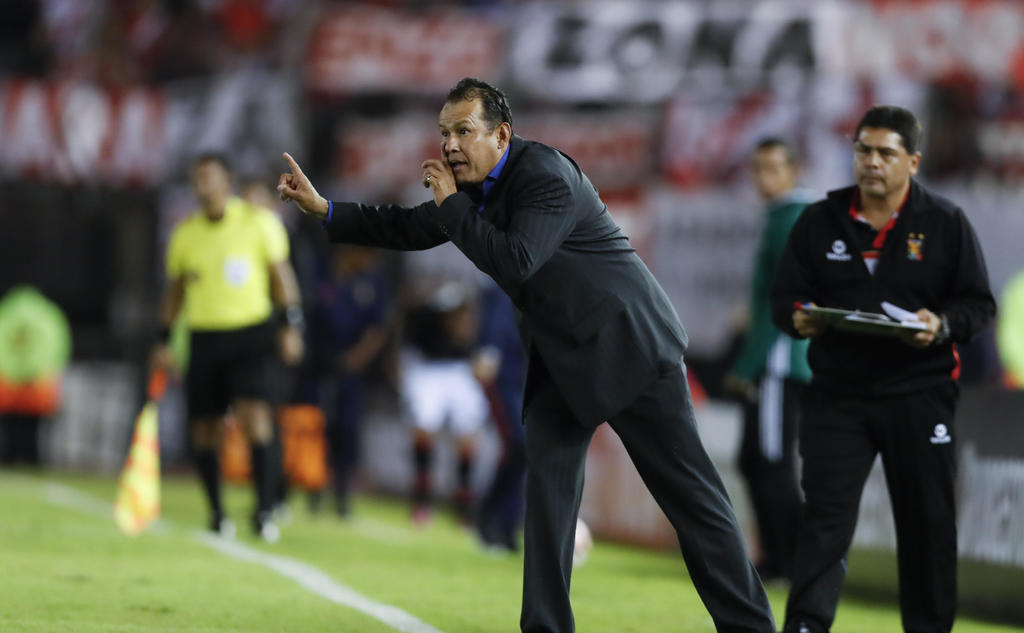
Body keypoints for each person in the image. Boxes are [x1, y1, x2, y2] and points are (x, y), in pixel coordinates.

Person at [277, 77, 775, 633]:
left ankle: (751, 628)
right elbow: (408, 227)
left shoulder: (545, 176)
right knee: (546, 506)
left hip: (627, 346)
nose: (449, 145)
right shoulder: (472, 192)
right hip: (561, 360)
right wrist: (325, 209)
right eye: (444, 133)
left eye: (463, 131)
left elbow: (516, 261)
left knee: (694, 505)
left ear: (501, 135)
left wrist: (451, 206)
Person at [771, 106, 996, 633]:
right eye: (863, 150)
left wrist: (940, 324)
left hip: (919, 393)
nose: (872, 162)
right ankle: (805, 626)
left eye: (885, 153)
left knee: (927, 525)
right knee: (824, 521)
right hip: (837, 396)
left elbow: (978, 305)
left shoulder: (945, 223)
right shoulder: (819, 220)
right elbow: (783, 298)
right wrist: (798, 319)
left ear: (912, 161)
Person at [152, 153, 304, 542]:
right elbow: (175, 292)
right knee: (205, 429)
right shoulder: (185, 234)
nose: (201, 185)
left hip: (251, 334)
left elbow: (281, 277)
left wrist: (291, 325)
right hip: (204, 337)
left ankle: (264, 510)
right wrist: (163, 340)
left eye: (208, 177)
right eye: (196, 178)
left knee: (256, 420)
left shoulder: (258, 222)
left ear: (226, 181)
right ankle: (217, 514)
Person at [723, 138, 813, 582]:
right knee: (754, 458)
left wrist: (746, 365)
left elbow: (781, 301)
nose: (763, 177)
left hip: (778, 361)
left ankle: (790, 561)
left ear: (795, 171)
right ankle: (776, 558)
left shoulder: (793, 219)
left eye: (774, 168)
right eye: (758, 168)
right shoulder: (782, 217)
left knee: (771, 459)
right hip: (775, 357)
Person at [401, 279, 487, 526]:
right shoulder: (424, 327)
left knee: (468, 433)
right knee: (424, 426)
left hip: (459, 370)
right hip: (427, 369)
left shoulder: (472, 330)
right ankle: (422, 499)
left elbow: (476, 347)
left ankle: (464, 501)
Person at [314, 245, 390, 516]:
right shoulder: (320, 270)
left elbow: (377, 328)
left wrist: (356, 359)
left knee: (347, 429)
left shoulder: (372, 281)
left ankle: (342, 494)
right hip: (316, 364)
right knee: (315, 426)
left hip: (351, 368)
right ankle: (312, 487)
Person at [473, 280, 527, 552]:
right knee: (518, 445)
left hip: (527, 376)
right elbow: (496, 321)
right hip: (503, 375)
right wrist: (489, 352)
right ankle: (491, 517)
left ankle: (506, 523)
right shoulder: (502, 283)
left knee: (524, 451)